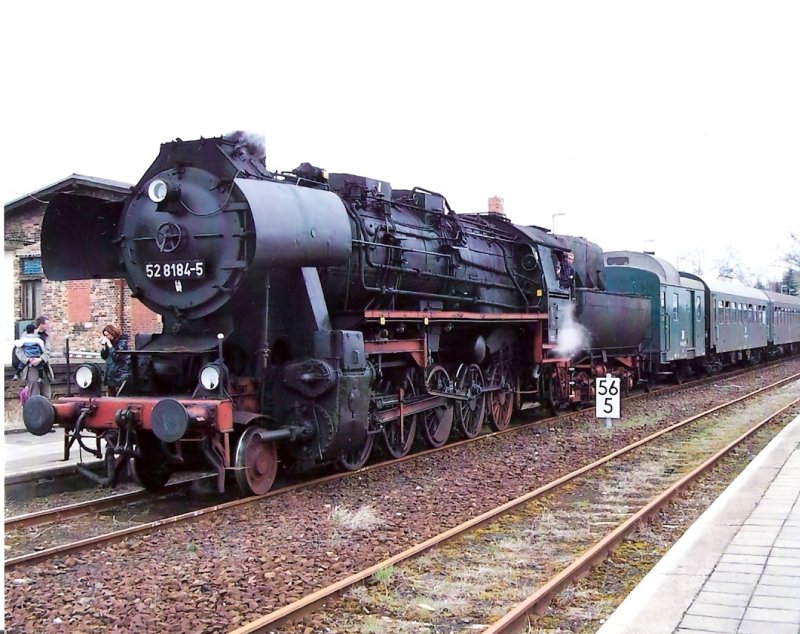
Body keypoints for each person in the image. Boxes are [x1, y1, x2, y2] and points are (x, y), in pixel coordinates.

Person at [15, 316, 54, 398]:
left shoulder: (44, 337)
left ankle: (46, 409)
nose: (48, 326)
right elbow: (19, 351)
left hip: (43, 366)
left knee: (46, 392)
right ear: (41, 325)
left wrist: (40, 359)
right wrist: (28, 360)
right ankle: (34, 409)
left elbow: (47, 350)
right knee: (34, 391)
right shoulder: (26, 335)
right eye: (47, 324)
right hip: (31, 366)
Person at [100, 324, 131, 394]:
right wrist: (104, 347)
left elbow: (116, 357)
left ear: (112, 333)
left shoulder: (122, 343)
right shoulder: (109, 343)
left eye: (107, 335)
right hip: (110, 374)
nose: (107, 337)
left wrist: (110, 346)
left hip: (118, 374)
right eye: (105, 335)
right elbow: (104, 357)